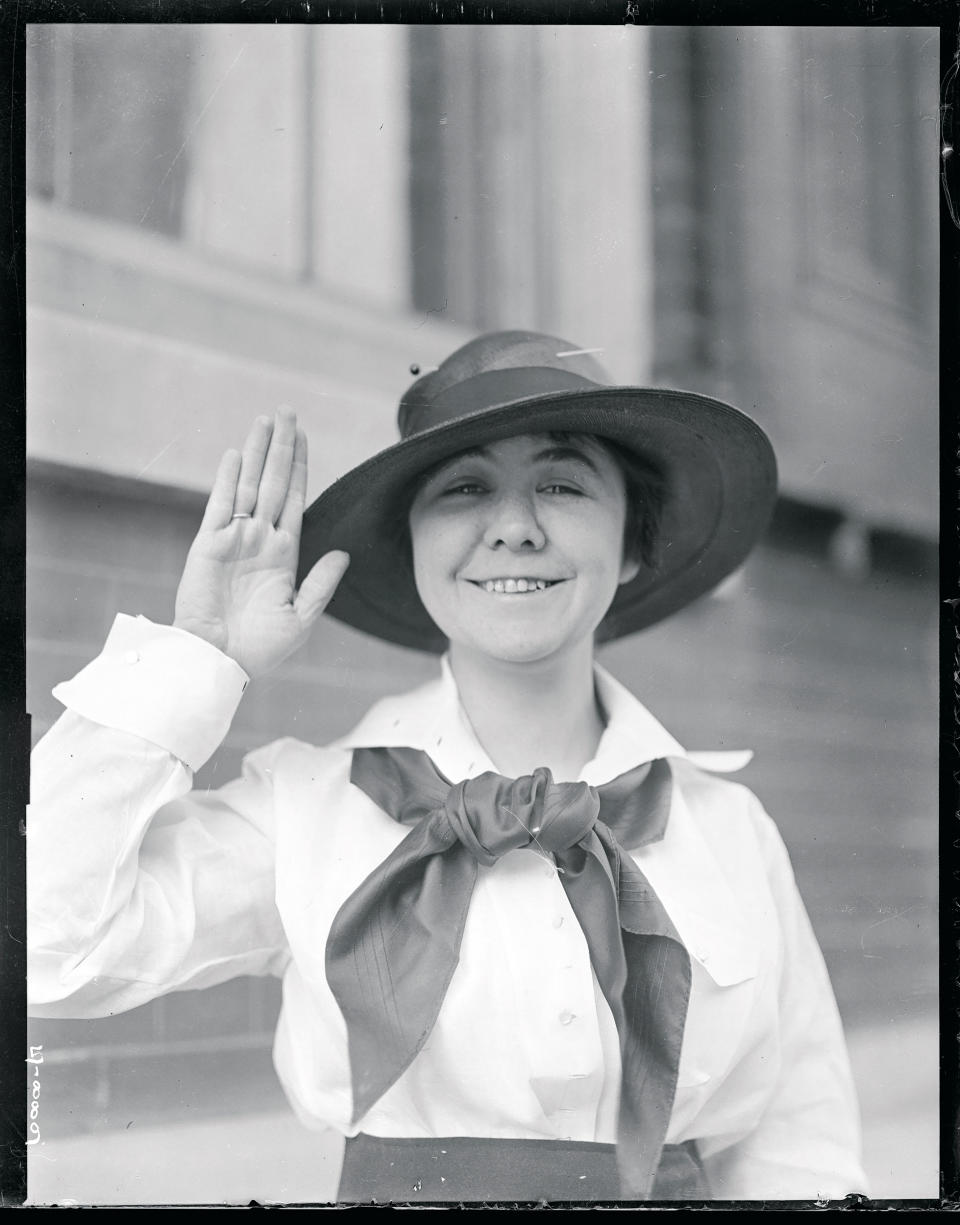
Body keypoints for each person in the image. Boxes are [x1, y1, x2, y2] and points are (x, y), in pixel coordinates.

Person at [27, 330, 867, 1203]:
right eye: (466, 488)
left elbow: (801, 1147)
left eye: (563, 483)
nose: (513, 527)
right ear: (417, 549)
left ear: (629, 545)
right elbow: (44, 946)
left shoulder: (728, 827)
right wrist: (200, 659)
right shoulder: (310, 807)